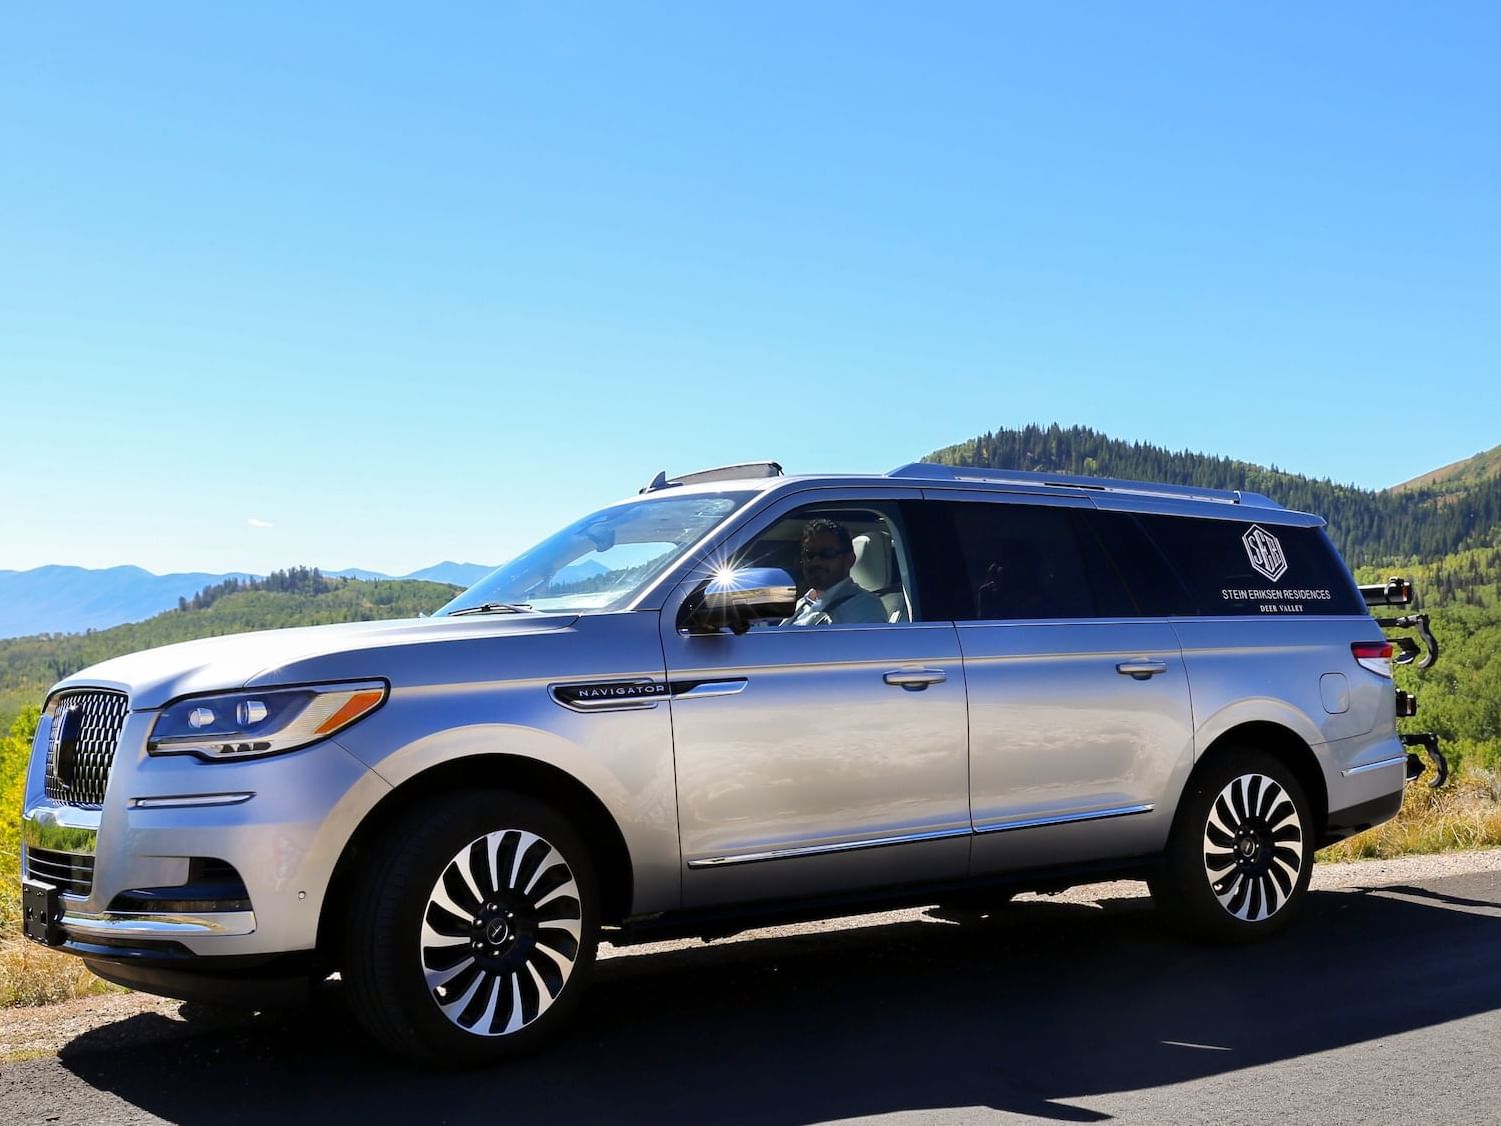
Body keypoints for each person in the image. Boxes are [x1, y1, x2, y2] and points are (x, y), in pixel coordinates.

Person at [784, 518, 889, 625]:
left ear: (849, 559)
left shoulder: (865, 609)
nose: (815, 561)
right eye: (809, 555)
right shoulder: (803, 603)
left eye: (827, 553)